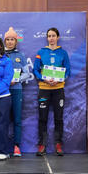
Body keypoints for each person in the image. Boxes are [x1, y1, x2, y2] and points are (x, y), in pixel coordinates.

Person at [33, 27, 70, 156]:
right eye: (49, 36)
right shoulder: (41, 52)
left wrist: (60, 79)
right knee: (42, 118)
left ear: (58, 37)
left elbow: (68, 70)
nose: (51, 38)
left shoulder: (63, 53)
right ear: (47, 38)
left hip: (58, 89)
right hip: (44, 89)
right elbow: (36, 70)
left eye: (53, 35)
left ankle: (58, 145)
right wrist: (45, 79)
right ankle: (42, 145)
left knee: (58, 118)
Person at [4, 27, 30, 157]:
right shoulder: (0, 55)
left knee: (17, 119)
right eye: (7, 39)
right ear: (4, 41)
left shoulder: (21, 56)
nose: (9, 42)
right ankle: (2, 147)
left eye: (12, 39)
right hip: (2, 92)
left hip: (16, 90)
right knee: (2, 119)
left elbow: (27, 74)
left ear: (16, 41)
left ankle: (16, 146)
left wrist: (17, 79)